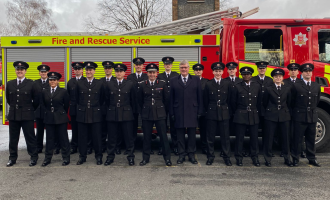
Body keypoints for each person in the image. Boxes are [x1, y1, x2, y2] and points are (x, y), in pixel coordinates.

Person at [137, 63, 172, 166]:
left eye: (153, 72)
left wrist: (162, 110)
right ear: (147, 73)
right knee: (146, 137)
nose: (152, 74)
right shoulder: (142, 84)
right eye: (150, 72)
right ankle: (145, 158)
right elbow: (139, 100)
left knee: (163, 137)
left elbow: (166, 100)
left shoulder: (162, 84)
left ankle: (167, 158)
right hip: (147, 114)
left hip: (160, 114)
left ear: (156, 73)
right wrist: (143, 111)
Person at [169, 60, 203, 164]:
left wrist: (200, 111)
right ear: (179, 69)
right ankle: (181, 155)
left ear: (189, 68)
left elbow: (199, 97)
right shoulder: (173, 80)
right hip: (178, 111)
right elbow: (171, 98)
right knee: (180, 135)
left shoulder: (196, 79)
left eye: (186, 67)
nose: (184, 69)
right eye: (182, 67)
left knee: (192, 135)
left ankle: (191, 154)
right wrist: (172, 113)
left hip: (192, 111)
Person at [6, 61, 38, 167]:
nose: (19, 71)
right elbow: (9, 100)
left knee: (30, 137)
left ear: (25, 71)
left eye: (21, 70)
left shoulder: (31, 84)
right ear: (15, 71)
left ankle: (33, 157)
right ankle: (12, 158)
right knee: (13, 138)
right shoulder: (10, 84)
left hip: (27, 115)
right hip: (14, 114)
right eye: (17, 69)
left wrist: (29, 109)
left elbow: (36, 100)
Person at [104, 64, 137, 166]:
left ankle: (131, 157)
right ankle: (110, 157)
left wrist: (132, 114)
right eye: (117, 71)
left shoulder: (130, 84)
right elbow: (105, 100)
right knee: (112, 138)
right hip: (112, 113)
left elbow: (133, 100)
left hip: (126, 114)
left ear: (124, 73)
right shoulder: (109, 84)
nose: (118, 72)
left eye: (121, 71)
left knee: (128, 137)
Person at [74, 61, 104, 165]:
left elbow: (103, 99)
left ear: (94, 71)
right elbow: (77, 99)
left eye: (90, 70)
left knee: (97, 137)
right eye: (87, 70)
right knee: (82, 137)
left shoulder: (100, 83)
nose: (89, 72)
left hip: (96, 113)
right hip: (82, 113)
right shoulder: (80, 83)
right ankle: (82, 157)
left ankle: (99, 156)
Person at [291, 63, 321, 167]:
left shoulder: (316, 86)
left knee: (311, 139)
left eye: (309, 71)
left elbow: (316, 101)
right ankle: (295, 158)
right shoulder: (296, 85)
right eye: (305, 71)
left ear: (311, 73)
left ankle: (312, 158)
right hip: (299, 116)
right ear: (302, 73)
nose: (308, 73)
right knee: (297, 139)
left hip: (312, 116)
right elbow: (292, 101)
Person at [231, 67, 262, 167]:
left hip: (253, 114)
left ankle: (255, 157)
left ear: (251, 75)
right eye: (244, 74)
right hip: (241, 114)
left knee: (254, 138)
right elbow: (233, 102)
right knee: (239, 138)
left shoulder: (257, 86)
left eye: (248, 74)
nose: (246, 76)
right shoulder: (237, 86)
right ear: (241, 75)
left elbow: (259, 102)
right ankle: (239, 158)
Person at [262, 68, 293, 167]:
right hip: (271, 115)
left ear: (282, 78)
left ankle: (287, 158)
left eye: (279, 76)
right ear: (273, 78)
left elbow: (289, 102)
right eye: (276, 77)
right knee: (269, 138)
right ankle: (267, 159)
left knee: (285, 138)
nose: (278, 78)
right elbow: (265, 102)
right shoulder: (268, 88)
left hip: (284, 115)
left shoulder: (287, 88)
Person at [203, 62, 232, 166]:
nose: (218, 73)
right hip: (211, 112)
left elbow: (230, 99)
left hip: (224, 112)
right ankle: (210, 157)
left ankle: (226, 157)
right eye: (216, 71)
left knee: (225, 137)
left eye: (220, 71)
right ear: (213, 72)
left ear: (223, 72)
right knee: (210, 137)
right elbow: (205, 100)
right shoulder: (208, 84)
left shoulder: (227, 83)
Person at [40, 72, 71, 167]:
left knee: (63, 138)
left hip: (60, 117)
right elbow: (43, 104)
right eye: (51, 80)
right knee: (49, 139)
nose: (52, 82)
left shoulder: (63, 91)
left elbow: (66, 105)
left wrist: (60, 113)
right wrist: (49, 113)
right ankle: (47, 158)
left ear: (58, 81)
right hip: (49, 117)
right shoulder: (44, 91)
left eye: (54, 80)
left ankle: (66, 158)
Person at [283, 63, 306, 159]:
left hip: (298, 110)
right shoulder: (284, 82)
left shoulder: (302, 83)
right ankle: (286, 150)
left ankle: (301, 150)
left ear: (298, 71)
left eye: (295, 69)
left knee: (299, 132)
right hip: (287, 109)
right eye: (291, 69)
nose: (293, 71)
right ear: (288, 72)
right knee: (287, 131)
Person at [158, 56, 180, 155]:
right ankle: (162, 147)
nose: (168, 65)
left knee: (174, 126)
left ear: (171, 65)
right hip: (162, 105)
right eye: (166, 64)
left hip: (173, 104)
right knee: (162, 127)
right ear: (164, 65)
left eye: (169, 64)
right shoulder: (159, 76)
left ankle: (175, 146)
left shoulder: (176, 75)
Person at [251, 61, 273, 156]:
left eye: (263, 68)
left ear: (266, 69)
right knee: (254, 132)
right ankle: (254, 150)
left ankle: (266, 150)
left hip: (267, 109)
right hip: (256, 109)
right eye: (260, 68)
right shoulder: (253, 79)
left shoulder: (270, 80)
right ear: (257, 69)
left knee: (267, 131)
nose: (262, 69)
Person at [127, 57, 148, 153]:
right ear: (134, 66)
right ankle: (132, 147)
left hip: (144, 105)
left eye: (140, 65)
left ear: (142, 66)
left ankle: (146, 147)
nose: (138, 66)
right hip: (133, 105)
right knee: (132, 127)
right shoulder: (130, 77)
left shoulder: (146, 76)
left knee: (146, 126)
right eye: (137, 64)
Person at [223, 62, 244, 157]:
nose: (231, 70)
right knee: (226, 132)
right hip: (227, 110)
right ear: (227, 71)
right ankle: (226, 150)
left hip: (238, 111)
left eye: (233, 69)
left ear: (236, 70)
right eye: (230, 69)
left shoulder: (241, 81)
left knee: (239, 132)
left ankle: (239, 150)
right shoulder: (224, 81)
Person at [99, 61, 118, 154]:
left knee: (114, 129)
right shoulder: (100, 81)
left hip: (113, 109)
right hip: (102, 109)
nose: (107, 69)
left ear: (112, 69)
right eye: (106, 68)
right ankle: (102, 146)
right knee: (102, 129)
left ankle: (116, 147)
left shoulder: (116, 80)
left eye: (109, 68)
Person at [67, 62, 86, 154]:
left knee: (84, 129)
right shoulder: (70, 82)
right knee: (74, 129)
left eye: (79, 69)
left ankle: (85, 146)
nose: (77, 70)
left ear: (82, 70)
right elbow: (69, 96)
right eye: (76, 69)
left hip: (84, 109)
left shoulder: (86, 80)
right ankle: (74, 146)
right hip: (74, 109)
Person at [34, 64, 50, 154]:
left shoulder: (52, 81)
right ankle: (39, 147)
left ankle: (50, 147)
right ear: (39, 73)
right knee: (39, 131)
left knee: (50, 130)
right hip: (39, 111)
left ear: (48, 73)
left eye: (45, 72)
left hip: (48, 111)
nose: (43, 73)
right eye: (42, 72)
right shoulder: (35, 83)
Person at [192, 63, 208, 154]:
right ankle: (192, 147)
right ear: (194, 71)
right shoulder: (190, 81)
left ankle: (204, 147)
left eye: (200, 70)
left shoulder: (207, 81)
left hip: (203, 109)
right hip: (193, 109)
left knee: (204, 129)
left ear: (202, 71)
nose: (198, 71)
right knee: (192, 130)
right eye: (196, 70)